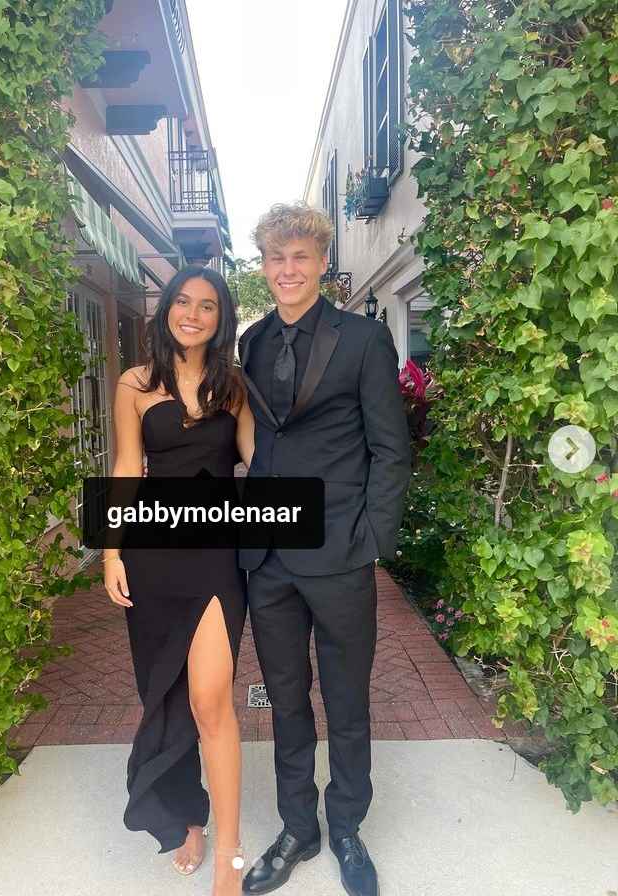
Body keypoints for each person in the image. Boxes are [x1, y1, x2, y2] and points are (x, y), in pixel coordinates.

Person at [238, 204, 412, 896]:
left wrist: (372, 538)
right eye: (277, 258)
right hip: (268, 557)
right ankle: (297, 829)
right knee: (285, 700)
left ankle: (345, 826)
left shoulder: (363, 340)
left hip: (340, 552)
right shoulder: (250, 342)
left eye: (301, 257)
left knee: (346, 700)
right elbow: (257, 439)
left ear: (321, 263)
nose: (288, 270)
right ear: (265, 266)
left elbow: (390, 450)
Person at [103, 265, 254, 896]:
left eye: (209, 306)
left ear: (222, 319)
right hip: (152, 551)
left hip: (216, 553)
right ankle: (189, 819)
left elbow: (257, 458)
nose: (193, 313)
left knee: (211, 699)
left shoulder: (233, 386)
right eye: (184, 302)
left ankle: (230, 849)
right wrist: (111, 552)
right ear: (166, 308)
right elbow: (126, 466)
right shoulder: (135, 384)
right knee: (164, 696)